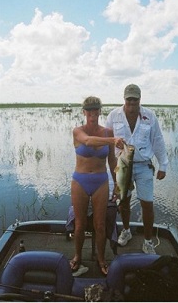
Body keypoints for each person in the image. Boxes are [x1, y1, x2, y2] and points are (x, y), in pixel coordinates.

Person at [106, 84, 168, 254]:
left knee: (147, 203)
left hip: (143, 166)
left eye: (135, 100)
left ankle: (148, 241)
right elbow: (107, 140)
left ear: (140, 99)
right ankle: (126, 231)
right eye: (129, 100)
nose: (132, 104)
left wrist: (163, 164)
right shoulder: (113, 115)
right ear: (124, 99)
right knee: (123, 200)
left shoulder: (149, 116)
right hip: (122, 167)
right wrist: (114, 141)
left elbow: (157, 140)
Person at [70, 96, 124, 276]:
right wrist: (112, 141)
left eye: (96, 112)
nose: (92, 116)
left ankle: (101, 259)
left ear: (100, 111)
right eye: (89, 112)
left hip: (101, 181)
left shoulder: (108, 132)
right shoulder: (78, 131)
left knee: (100, 225)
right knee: (80, 225)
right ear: (84, 112)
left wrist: (117, 183)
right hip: (80, 180)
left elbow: (111, 160)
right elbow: (87, 141)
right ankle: (77, 256)